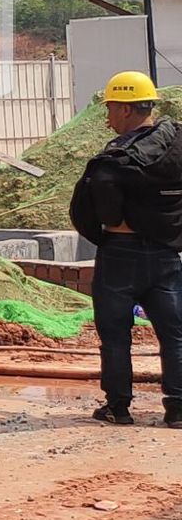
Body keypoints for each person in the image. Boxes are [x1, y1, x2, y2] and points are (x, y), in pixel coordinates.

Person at [68, 71, 182, 426]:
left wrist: (105, 234)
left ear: (126, 109)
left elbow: (101, 213)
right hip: (167, 254)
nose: (107, 118)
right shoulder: (177, 143)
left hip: (121, 254)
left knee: (115, 334)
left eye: (112, 109)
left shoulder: (115, 161)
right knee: (175, 333)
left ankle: (118, 407)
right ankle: (178, 409)